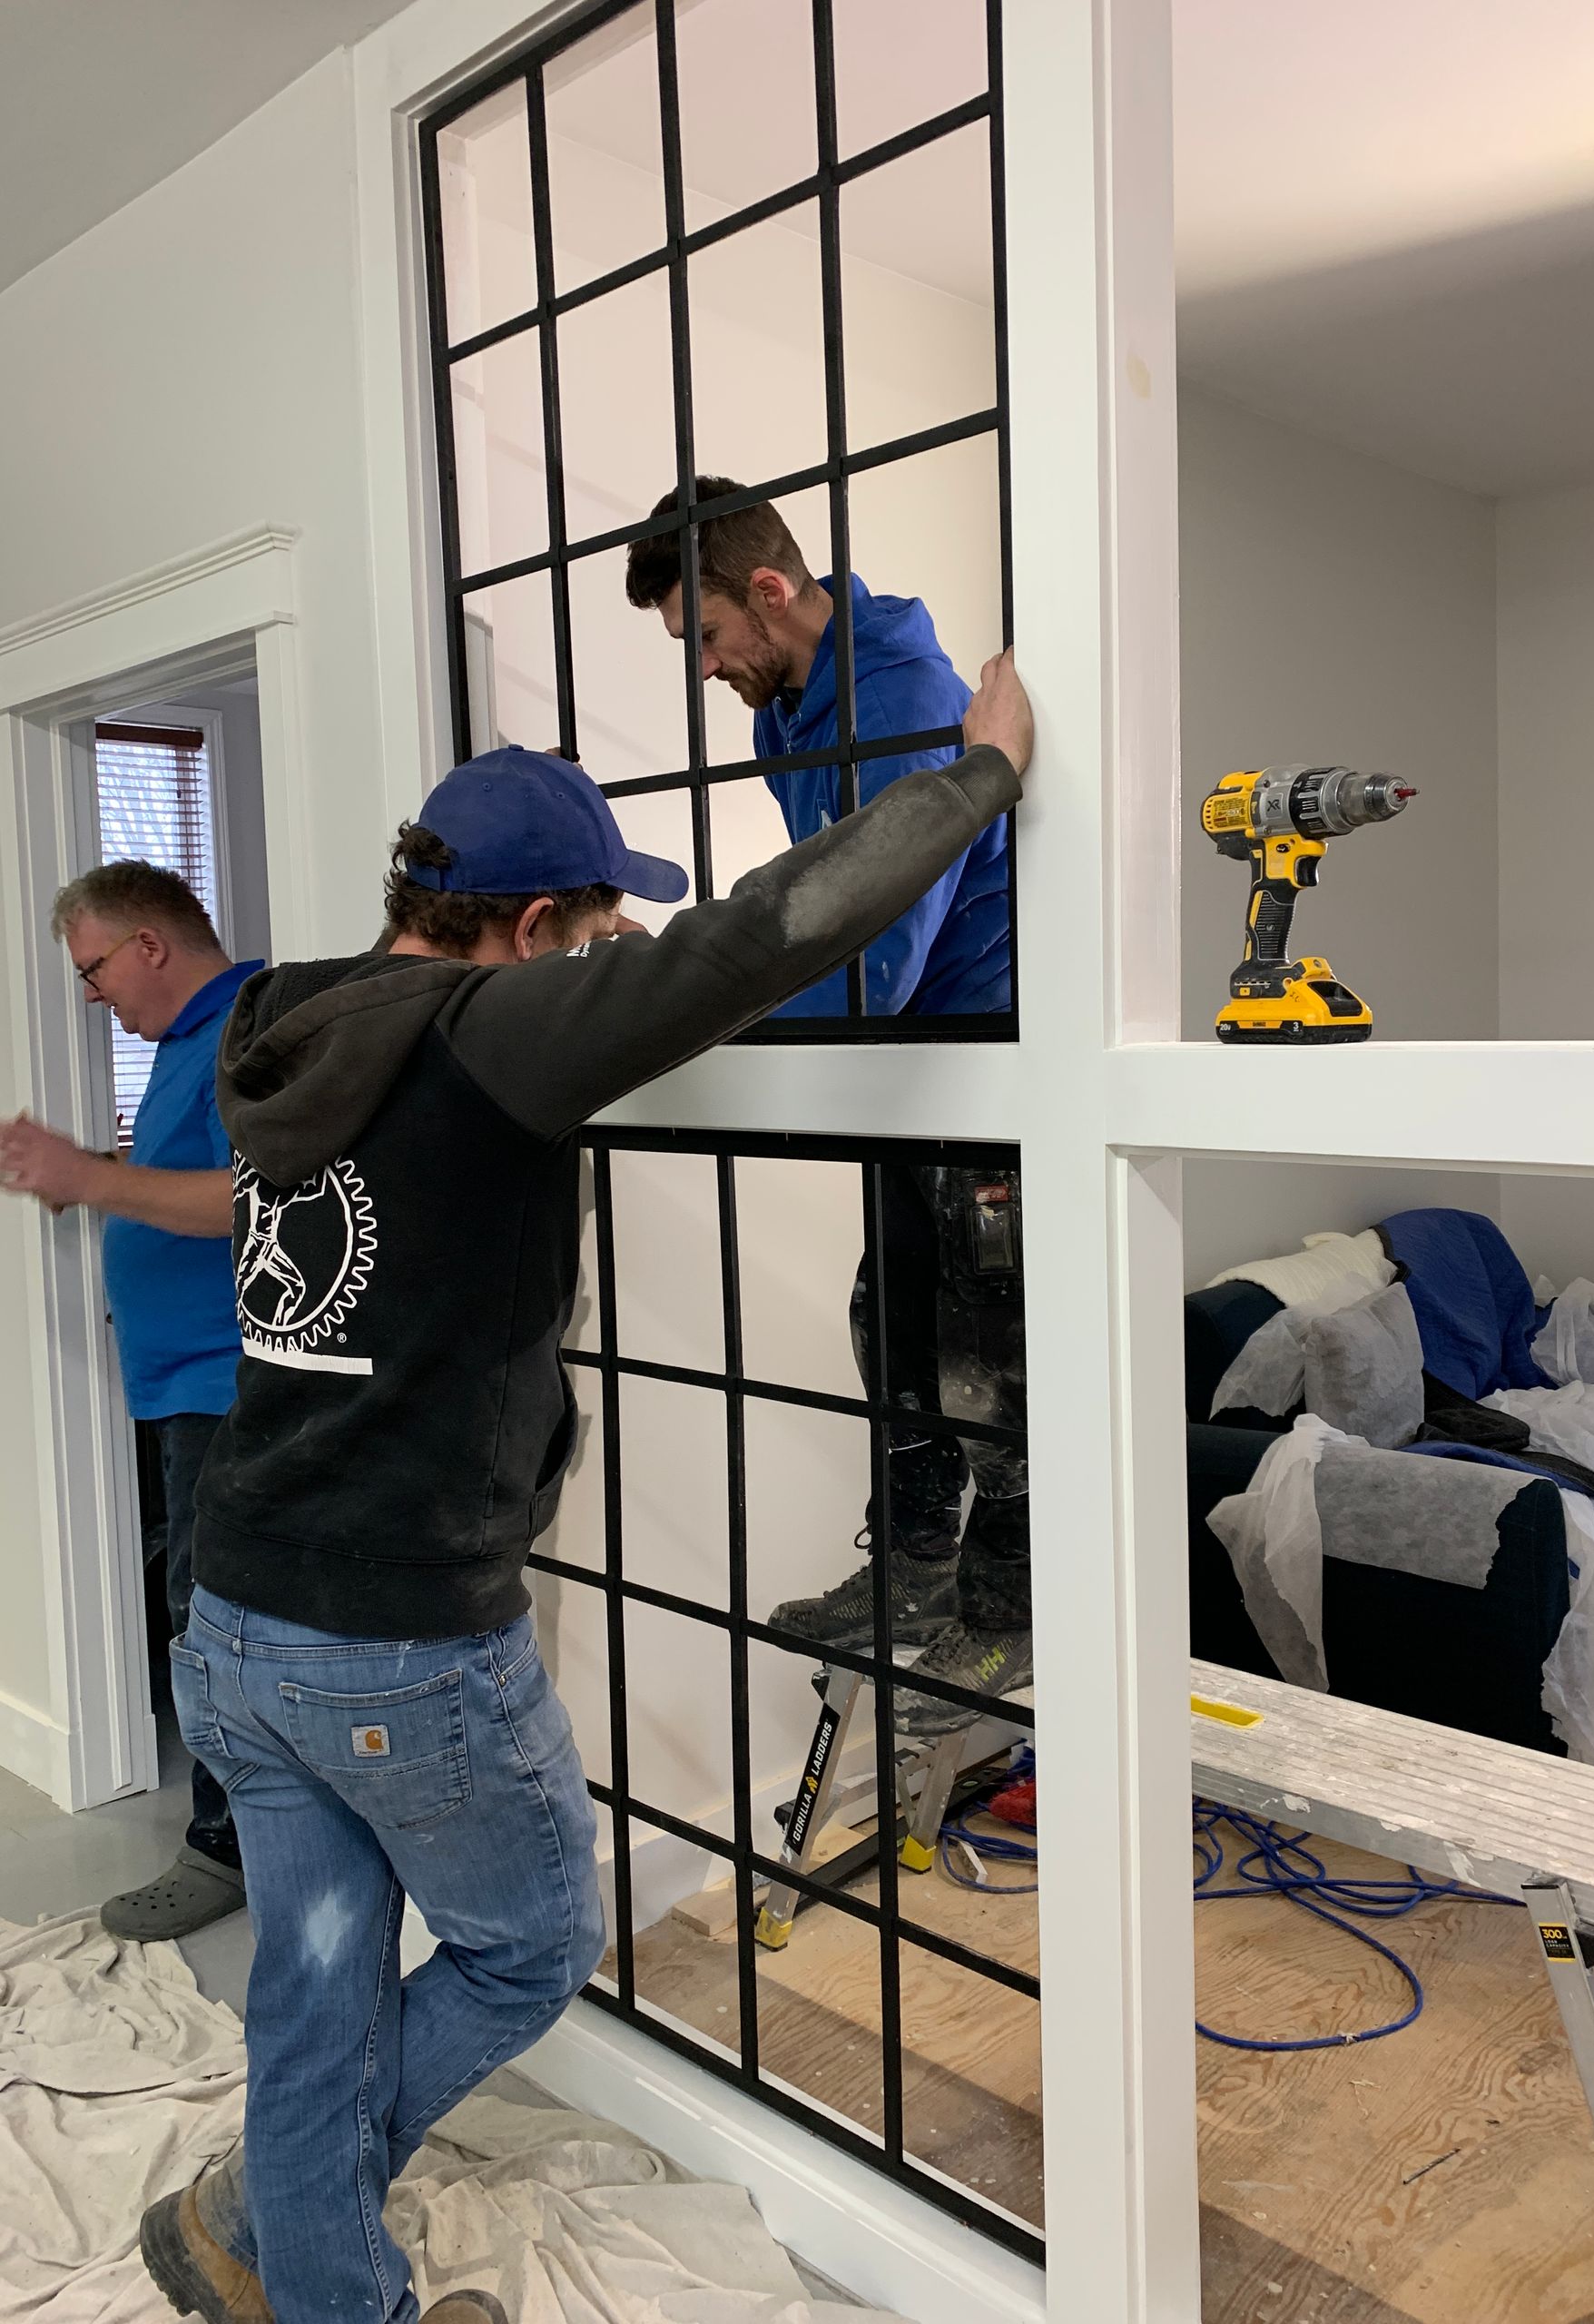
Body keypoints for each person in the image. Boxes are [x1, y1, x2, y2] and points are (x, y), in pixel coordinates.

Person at [137, 666, 1029, 2324]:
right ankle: (288, 2210)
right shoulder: (494, 1036)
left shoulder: (291, 1016)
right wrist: (974, 778)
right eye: (596, 926)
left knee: (319, 1980)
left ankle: (292, 2262)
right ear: (533, 923)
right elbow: (761, 936)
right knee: (536, 1943)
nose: (616, 949)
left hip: (238, 1601)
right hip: (395, 1638)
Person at [626, 490, 1030, 1732]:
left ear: (766, 592)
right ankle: (913, 1570)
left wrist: (721, 1010)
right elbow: (815, 893)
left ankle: (1009, 1613)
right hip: (903, 1064)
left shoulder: (897, 698)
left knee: (986, 1347)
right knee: (893, 1312)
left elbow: (879, 951)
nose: (703, 671)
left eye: (701, 638)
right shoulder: (788, 705)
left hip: (978, 1050)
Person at [0, 862, 261, 1935]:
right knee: (199, 1614)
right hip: (179, 1383)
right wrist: (96, 1173)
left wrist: (95, 1179)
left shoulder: (249, 1029)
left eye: (95, 969)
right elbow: (190, 1176)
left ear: (151, 943)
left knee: (208, 1627)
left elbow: (260, 1198)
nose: (94, 994)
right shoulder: (180, 1046)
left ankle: (224, 1850)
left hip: (227, 1384)